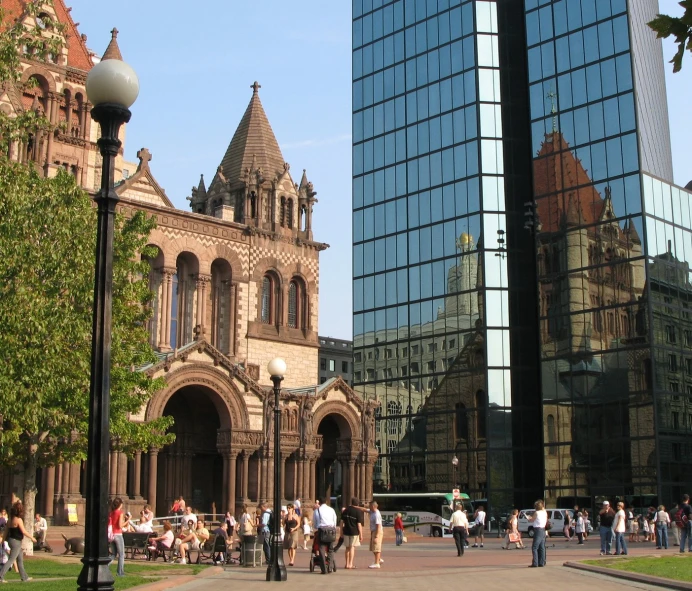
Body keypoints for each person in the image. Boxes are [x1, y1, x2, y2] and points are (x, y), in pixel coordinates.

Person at [0, 502, 35, 583]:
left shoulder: (10, 520)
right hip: (16, 542)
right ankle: (1, 576)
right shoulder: (18, 520)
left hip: (11, 541)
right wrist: (32, 538)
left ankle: (24, 577)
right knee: (11, 559)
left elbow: (5, 531)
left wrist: (2, 540)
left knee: (20, 560)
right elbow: (23, 531)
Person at [314, 497, 338, 574]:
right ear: (327, 501)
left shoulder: (317, 510)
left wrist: (316, 527)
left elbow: (316, 523)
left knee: (321, 550)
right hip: (331, 530)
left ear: (320, 503)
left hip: (322, 530)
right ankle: (330, 568)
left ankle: (323, 569)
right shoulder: (331, 509)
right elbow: (335, 520)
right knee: (330, 549)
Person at [341, 497, 364, 569]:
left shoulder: (345, 510)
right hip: (354, 532)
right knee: (352, 547)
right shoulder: (358, 511)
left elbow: (341, 522)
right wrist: (361, 534)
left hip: (346, 531)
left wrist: (341, 532)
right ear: (357, 503)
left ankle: (346, 564)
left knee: (347, 548)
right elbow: (359, 524)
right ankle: (351, 564)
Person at [109, 497, 129, 577]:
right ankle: (120, 572)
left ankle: (104, 566)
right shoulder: (120, 512)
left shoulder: (111, 513)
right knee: (121, 555)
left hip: (112, 535)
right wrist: (128, 520)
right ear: (120, 504)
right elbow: (120, 526)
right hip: (118, 534)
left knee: (113, 554)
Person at [527, 499, 547, 567]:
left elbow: (531, 520)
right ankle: (542, 562)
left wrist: (528, 518)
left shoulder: (537, 513)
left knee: (534, 547)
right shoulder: (544, 512)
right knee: (542, 547)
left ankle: (535, 563)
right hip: (543, 529)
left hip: (538, 530)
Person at [368, 500, 383, 569]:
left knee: (376, 547)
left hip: (377, 531)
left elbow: (378, 526)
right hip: (374, 531)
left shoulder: (376, 514)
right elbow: (365, 509)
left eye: (370, 506)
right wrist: (356, 507)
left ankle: (377, 563)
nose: (369, 507)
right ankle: (378, 559)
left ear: (373, 506)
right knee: (373, 547)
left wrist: (376, 536)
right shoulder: (372, 511)